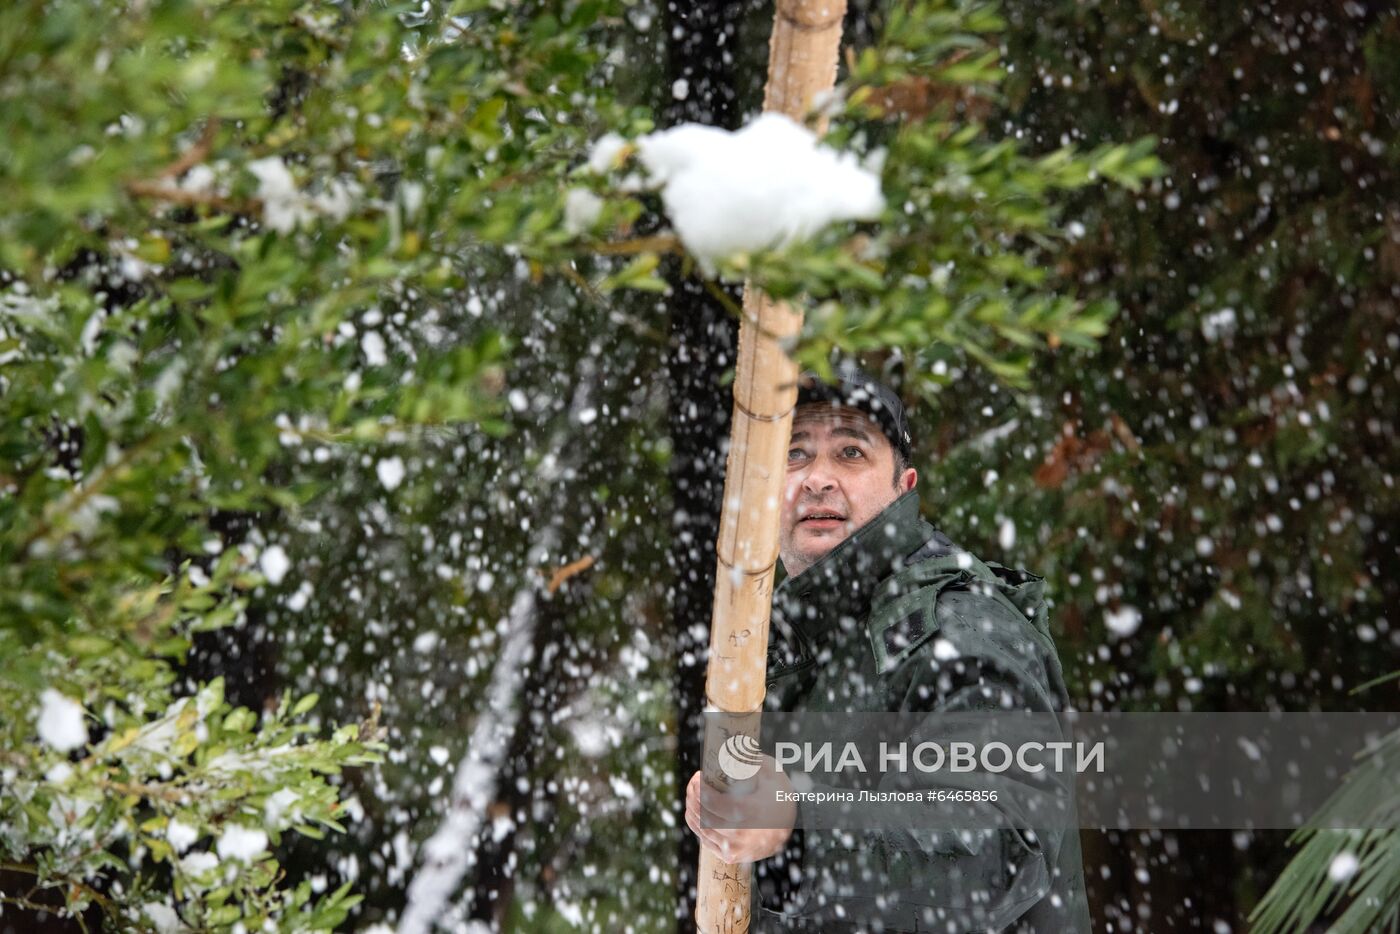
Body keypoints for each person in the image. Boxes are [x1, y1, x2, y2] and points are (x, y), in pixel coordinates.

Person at [685, 364, 1090, 932]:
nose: (818, 478)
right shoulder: (784, 646)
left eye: (850, 453)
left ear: (905, 486)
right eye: (795, 454)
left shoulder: (962, 626)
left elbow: (999, 849)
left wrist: (797, 827)